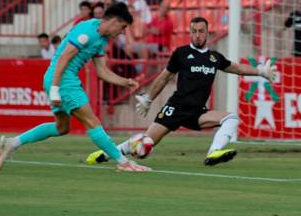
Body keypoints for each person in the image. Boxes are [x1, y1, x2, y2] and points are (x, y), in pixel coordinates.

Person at [85, 16, 278, 167]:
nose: (197, 35)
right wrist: (148, 99)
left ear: (207, 33)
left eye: (201, 31)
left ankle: (213, 153)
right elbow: (164, 77)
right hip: (176, 109)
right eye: (193, 31)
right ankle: (104, 154)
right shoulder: (182, 53)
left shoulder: (214, 57)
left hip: (197, 112)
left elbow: (236, 69)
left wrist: (260, 71)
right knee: (145, 144)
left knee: (231, 118)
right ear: (190, 32)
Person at [0, 3, 149, 173]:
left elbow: (102, 71)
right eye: (123, 27)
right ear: (114, 21)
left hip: (59, 79)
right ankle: (123, 162)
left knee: (62, 128)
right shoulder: (87, 30)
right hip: (63, 79)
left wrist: (125, 82)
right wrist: (55, 89)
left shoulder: (102, 39)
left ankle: (12, 143)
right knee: (92, 122)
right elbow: (64, 57)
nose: (122, 32)